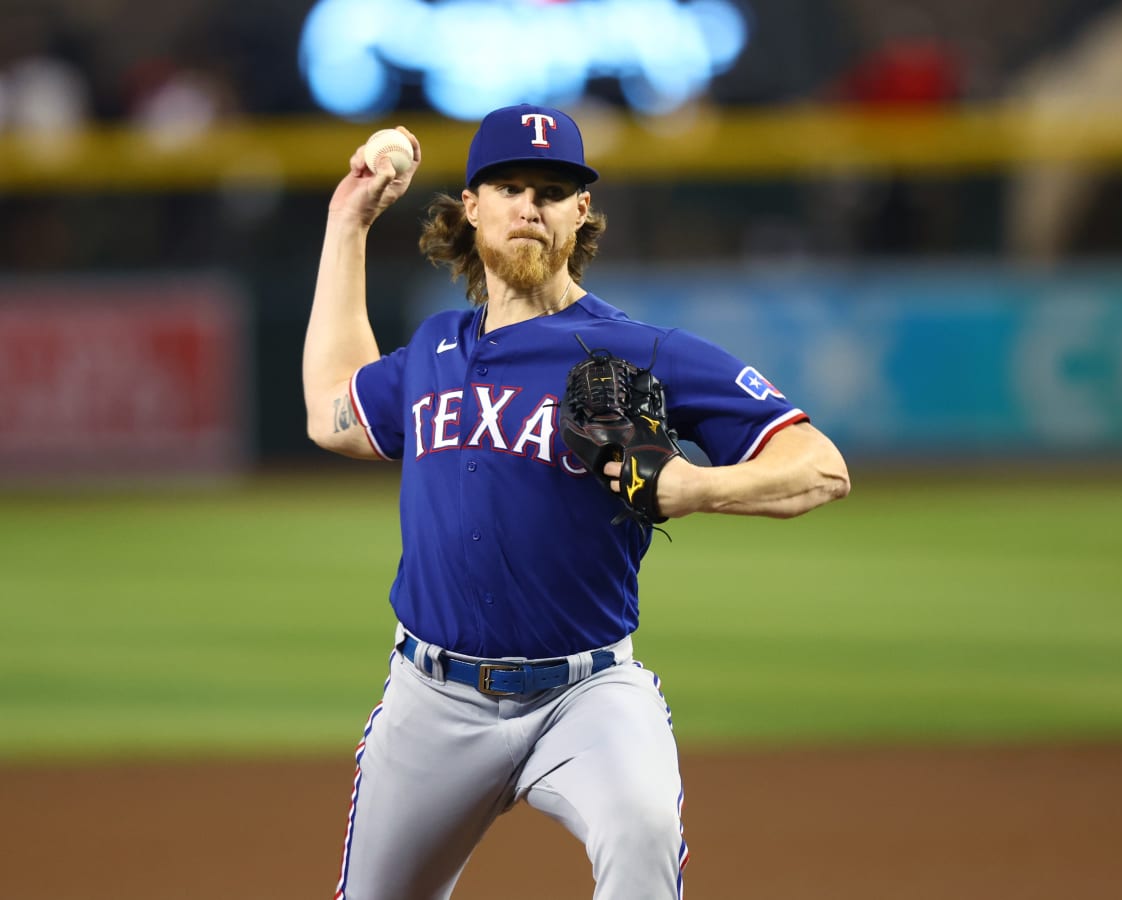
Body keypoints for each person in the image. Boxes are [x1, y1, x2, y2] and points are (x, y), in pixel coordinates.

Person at [303, 103, 851, 900]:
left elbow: (820, 465)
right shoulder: (432, 351)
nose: (531, 205)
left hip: (587, 694)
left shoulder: (641, 351)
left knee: (644, 829)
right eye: (511, 186)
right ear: (472, 206)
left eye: (554, 191)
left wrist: (696, 487)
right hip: (431, 701)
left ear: (581, 213)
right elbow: (333, 413)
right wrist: (346, 219)